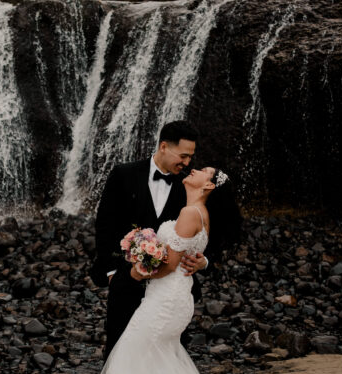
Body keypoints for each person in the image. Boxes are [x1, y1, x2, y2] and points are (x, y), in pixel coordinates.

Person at [69, 167, 275, 374]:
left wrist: (136, 271)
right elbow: (189, 255)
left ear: (207, 184)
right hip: (174, 301)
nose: (193, 168)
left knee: (126, 361)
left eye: (200, 169)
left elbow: (167, 266)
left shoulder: (190, 212)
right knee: (161, 368)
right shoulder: (199, 212)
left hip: (164, 301)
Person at [90, 121, 238, 358]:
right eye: (183, 155)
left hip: (168, 293)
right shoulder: (123, 174)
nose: (188, 163)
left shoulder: (191, 187)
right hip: (126, 282)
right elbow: (105, 225)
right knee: (118, 352)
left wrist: (205, 261)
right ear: (164, 146)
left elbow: (216, 228)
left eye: (191, 157)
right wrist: (112, 274)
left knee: (163, 357)